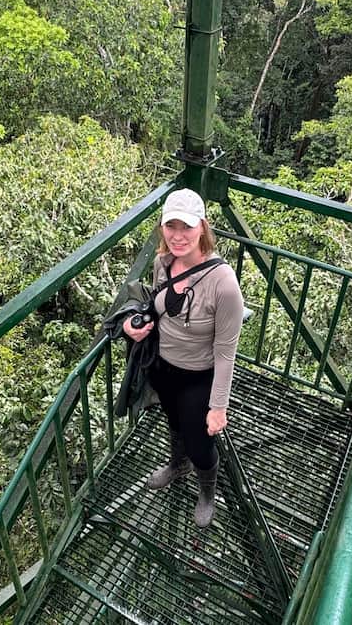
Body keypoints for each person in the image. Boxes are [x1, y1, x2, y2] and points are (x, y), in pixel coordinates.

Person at [123, 187, 245, 528]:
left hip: (199, 375)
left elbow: (225, 352)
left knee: (200, 442)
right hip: (163, 367)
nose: (178, 236)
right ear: (162, 227)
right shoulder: (165, 264)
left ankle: (207, 490)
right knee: (173, 424)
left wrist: (218, 406)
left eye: (187, 228)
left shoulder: (224, 284)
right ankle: (177, 465)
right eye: (170, 226)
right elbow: (157, 309)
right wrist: (134, 326)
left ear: (203, 228)